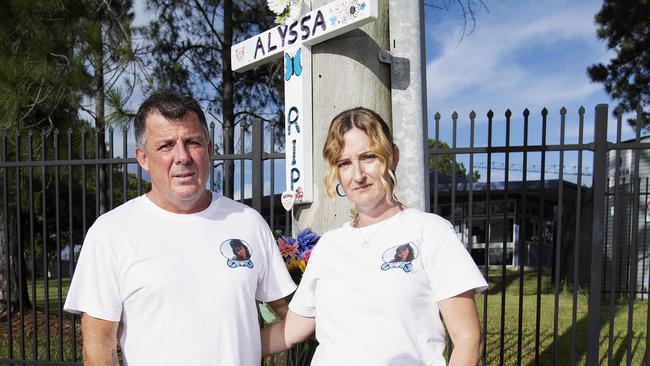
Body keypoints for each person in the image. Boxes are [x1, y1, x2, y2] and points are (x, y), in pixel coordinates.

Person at [64, 90, 296, 365]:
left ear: (209, 149)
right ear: (143, 158)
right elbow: (99, 345)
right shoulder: (111, 233)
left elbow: (294, 317)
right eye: (165, 146)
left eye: (192, 142)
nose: (182, 156)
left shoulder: (247, 222)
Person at [261, 107, 488, 365]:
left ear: (392, 157)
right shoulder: (328, 246)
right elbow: (290, 331)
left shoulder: (430, 232)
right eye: (344, 163)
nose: (358, 175)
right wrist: (221, 344)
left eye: (368, 157)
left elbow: (469, 340)